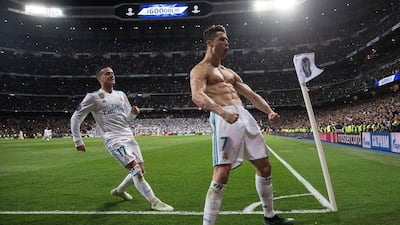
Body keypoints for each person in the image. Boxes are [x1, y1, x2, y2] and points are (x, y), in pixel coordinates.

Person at [190, 25, 294, 225]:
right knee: (222, 172)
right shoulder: (199, 70)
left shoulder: (229, 72)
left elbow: (252, 95)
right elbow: (197, 96)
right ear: (210, 44)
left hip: (244, 115)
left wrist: (269, 111)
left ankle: (270, 217)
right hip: (224, 116)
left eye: (227, 39)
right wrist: (222, 112)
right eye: (222, 39)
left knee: (264, 166)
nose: (226, 43)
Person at [70, 66, 173, 211]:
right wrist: (78, 141)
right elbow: (76, 117)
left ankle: (119, 191)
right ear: (100, 78)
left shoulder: (121, 95)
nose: (112, 75)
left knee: (141, 170)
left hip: (128, 137)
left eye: (112, 73)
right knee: (135, 170)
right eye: (107, 74)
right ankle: (154, 201)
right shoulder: (93, 97)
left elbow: (127, 119)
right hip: (114, 140)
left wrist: (134, 113)